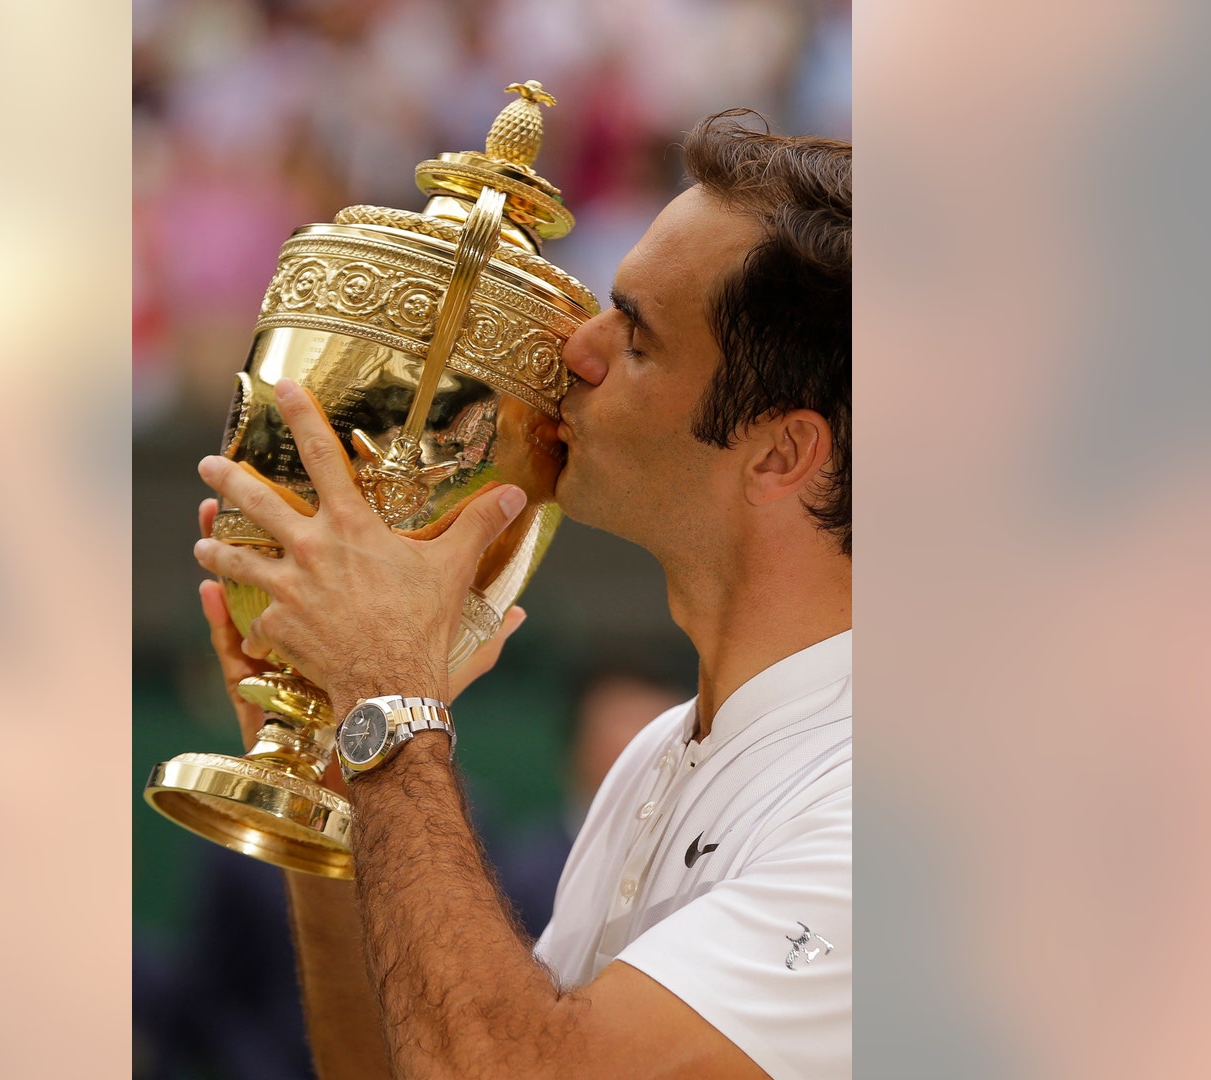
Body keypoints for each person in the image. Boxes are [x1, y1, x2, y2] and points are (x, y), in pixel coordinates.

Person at [192, 113, 851, 1078]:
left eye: (636, 336)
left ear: (781, 454)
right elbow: (410, 1063)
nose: (574, 350)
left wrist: (392, 698)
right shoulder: (659, 759)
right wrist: (342, 761)